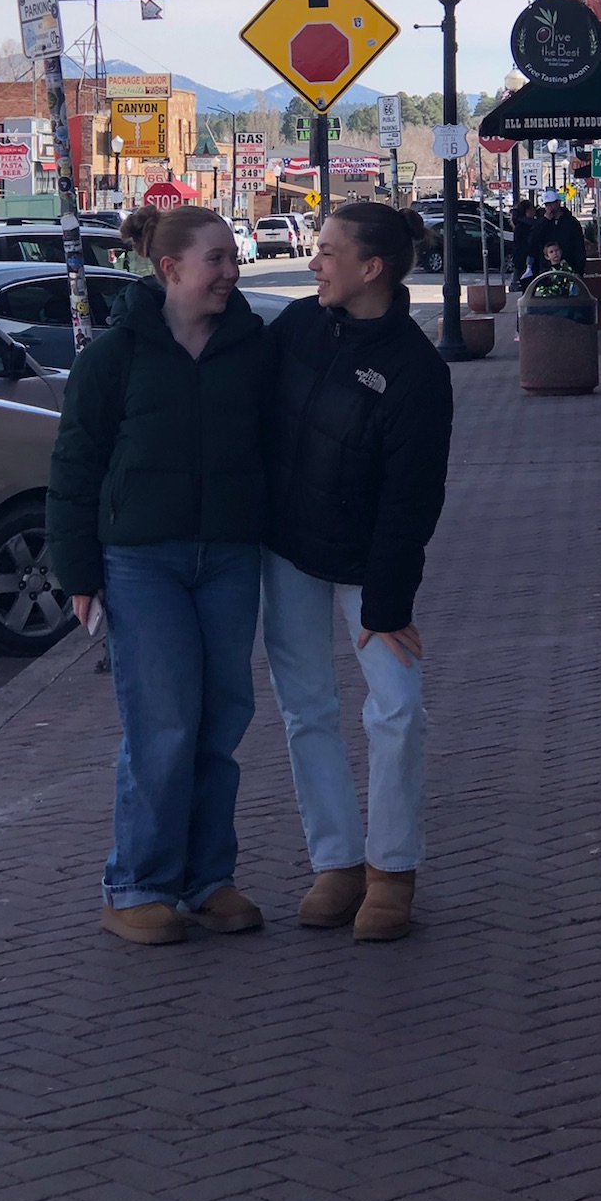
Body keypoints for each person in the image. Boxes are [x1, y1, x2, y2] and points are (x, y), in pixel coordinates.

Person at [47, 205, 269, 946]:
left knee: (221, 716)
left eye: (233, 257)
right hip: (142, 561)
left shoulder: (250, 346)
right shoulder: (114, 357)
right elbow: (75, 466)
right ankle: (137, 882)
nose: (230, 272)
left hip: (230, 554)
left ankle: (207, 878)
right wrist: (76, 571)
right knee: (163, 721)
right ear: (170, 268)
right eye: (216, 259)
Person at [262, 203, 455, 943]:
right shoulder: (298, 328)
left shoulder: (415, 370)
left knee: (398, 709)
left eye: (326, 251)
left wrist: (387, 600)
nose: (314, 262)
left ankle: (392, 869)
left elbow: (414, 496)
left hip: (368, 568)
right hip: (285, 551)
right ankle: (336, 862)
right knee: (304, 708)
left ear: (369, 268)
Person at [538, 189, 588, 277]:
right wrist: (544, 221)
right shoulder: (543, 223)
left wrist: (579, 270)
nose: (549, 207)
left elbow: (579, 246)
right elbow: (534, 241)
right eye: (546, 205)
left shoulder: (571, 222)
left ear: (558, 203)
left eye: (551, 204)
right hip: (548, 271)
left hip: (569, 268)